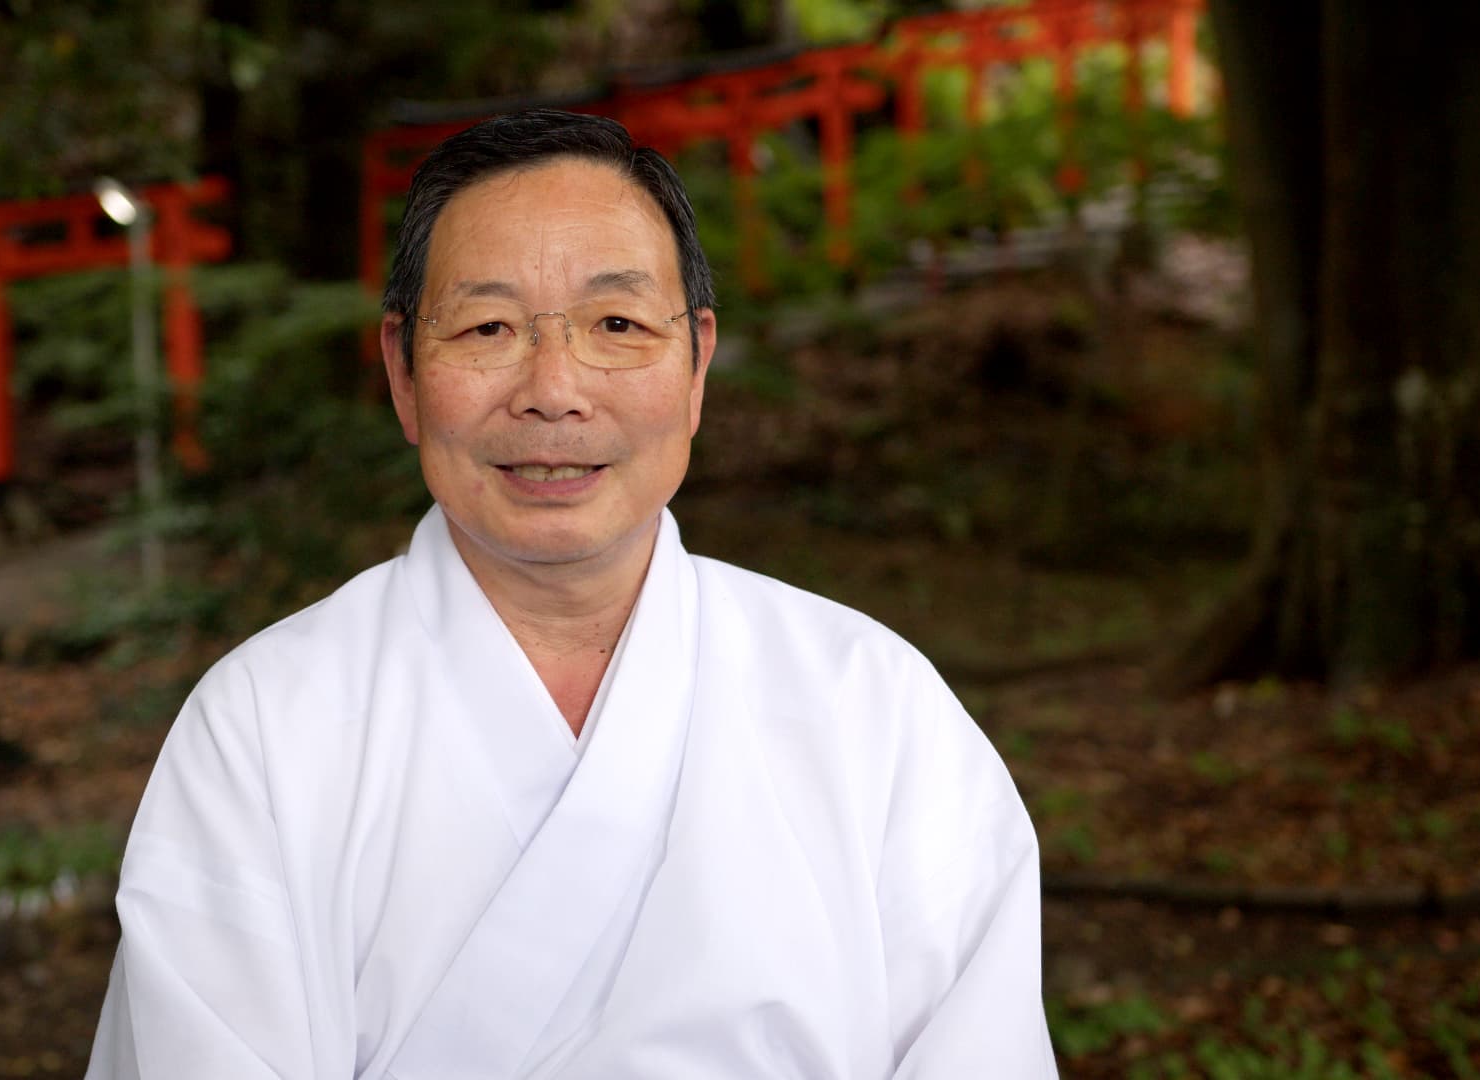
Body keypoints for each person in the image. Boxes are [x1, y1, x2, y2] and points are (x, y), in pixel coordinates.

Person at [86, 108, 1056, 1079]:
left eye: (618, 325)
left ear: (696, 367)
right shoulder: (266, 725)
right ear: (404, 372)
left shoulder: (872, 706)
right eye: (488, 327)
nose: (554, 389)